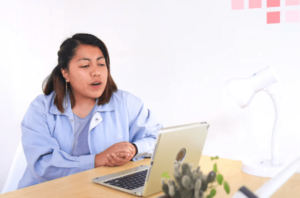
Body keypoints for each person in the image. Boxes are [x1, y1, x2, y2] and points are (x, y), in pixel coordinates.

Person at [17, 33, 162, 189]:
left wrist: (134, 149)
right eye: (85, 66)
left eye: (101, 64)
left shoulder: (126, 103)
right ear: (65, 73)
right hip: (48, 192)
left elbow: (159, 139)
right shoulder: (41, 109)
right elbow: (43, 164)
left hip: (102, 191)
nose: (96, 72)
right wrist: (98, 159)